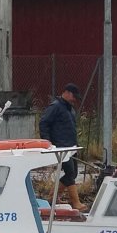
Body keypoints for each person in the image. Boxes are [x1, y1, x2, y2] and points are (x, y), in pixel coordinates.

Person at [39, 83, 87, 211]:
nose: (74, 99)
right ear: (66, 93)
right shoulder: (55, 107)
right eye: (73, 96)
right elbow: (44, 123)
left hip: (71, 147)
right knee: (70, 173)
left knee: (74, 173)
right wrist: (47, 142)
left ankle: (52, 197)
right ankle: (76, 202)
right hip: (61, 147)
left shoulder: (69, 109)